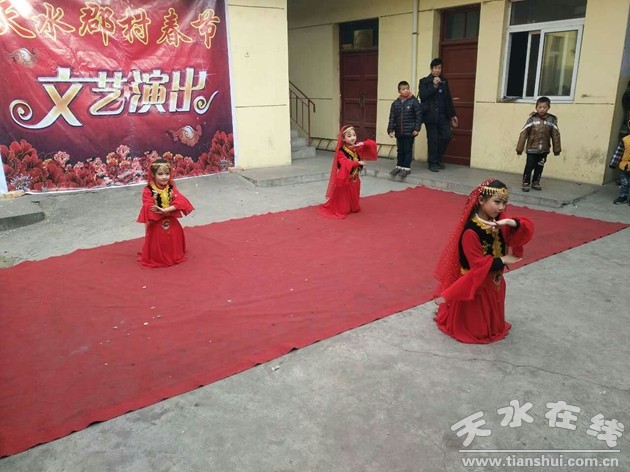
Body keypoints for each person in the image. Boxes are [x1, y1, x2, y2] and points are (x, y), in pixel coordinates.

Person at [434, 179, 534, 344]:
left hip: (494, 281)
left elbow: (525, 229)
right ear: (481, 200)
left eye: (504, 203)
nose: (501, 208)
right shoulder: (471, 231)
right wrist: (502, 259)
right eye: (497, 202)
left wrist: (509, 222)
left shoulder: (498, 223)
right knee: (477, 330)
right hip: (476, 285)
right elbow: (477, 265)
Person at [137, 159, 194, 267]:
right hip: (156, 222)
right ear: (153, 175)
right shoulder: (148, 190)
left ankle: (173, 255)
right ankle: (158, 257)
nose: (164, 177)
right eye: (160, 174)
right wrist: (162, 211)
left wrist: (165, 210)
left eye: (167, 174)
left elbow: (181, 201)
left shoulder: (171, 188)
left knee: (174, 233)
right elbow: (148, 206)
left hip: (170, 219)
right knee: (159, 237)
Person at [318, 125, 377, 219]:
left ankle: (352, 206)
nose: (353, 138)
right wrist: (357, 162)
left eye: (354, 135)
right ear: (343, 139)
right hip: (345, 180)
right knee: (343, 210)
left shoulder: (357, 147)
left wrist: (363, 143)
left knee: (356, 209)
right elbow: (345, 163)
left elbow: (372, 144)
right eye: (349, 136)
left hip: (355, 179)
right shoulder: (341, 151)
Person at [418, 58, 458, 172]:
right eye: (435, 68)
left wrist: (453, 115)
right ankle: (433, 163)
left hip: (443, 116)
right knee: (433, 140)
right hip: (430, 116)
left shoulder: (444, 81)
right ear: (431, 69)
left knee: (447, 136)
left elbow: (448, 99)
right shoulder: (424, 81)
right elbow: (423, 96)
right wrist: (434, 86)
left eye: (439, 68)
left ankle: (438, 158)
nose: (437, 70)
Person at [516, 96, 561, 192]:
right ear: (536, 107)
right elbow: (523, 134)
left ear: (548, 108)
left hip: (544, 150)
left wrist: (557, 149)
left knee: (540, 167)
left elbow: (556, 135)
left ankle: (536, 181)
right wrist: (519, 148)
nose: (542, 109)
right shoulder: (531, 120)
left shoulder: (552, 120)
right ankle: (526, 182)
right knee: (529, 166)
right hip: (532, 149)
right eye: (540, 107)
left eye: (544, 107)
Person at [387, 80, 423, 179]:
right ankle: (399, 166)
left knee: (407, 150)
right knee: (400, 150)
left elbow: (418, 117)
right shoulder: (395, 103)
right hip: (399, 132)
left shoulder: (414, 102)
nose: (406, 90)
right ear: (399, 91)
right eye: (403, 89)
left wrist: (417, 129)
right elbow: (392, 118)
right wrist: (390, 130)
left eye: (407, 88)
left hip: (409, 132)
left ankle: (406, 168)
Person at [609, 119, 630, 205]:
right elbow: (619, 152)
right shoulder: (625, 140)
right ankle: (623, 196)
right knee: (625, 182)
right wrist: (613, 163)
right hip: (624, 166)